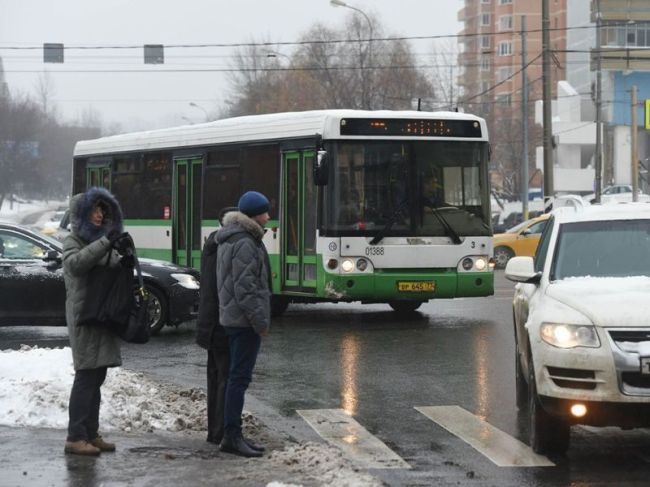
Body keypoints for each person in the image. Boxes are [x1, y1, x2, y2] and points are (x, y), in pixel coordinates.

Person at [62, 187, 133, 456]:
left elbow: (112, 272)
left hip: (101, 315)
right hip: (84, 317)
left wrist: (124, 255)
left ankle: (90, 433)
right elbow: (75, 265)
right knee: (86, 377)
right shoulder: (73, 241)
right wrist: (106, 243)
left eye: (103, 210)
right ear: (81, 214)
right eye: (94, 210)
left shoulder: (102, 241)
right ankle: (75, 436)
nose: (100, 215)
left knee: (97, 375)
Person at [216, 191, 271, 458]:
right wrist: (260, 321)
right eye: (265, 212)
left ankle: (232, 433)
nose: (268, 216)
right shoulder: (246, 243)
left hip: (232, 318)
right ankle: (231, 436)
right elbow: (246, 289)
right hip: (242, 321)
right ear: (254, 215)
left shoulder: (231, 237)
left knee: (235, 378)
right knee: (238, 379)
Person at [195, 207, 236, 446]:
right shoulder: (225, 247)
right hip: (223, 322)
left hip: (210, 321)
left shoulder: (212, 243)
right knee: (225, 378)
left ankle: (214, 431)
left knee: (216, 376)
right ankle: (221, 432)